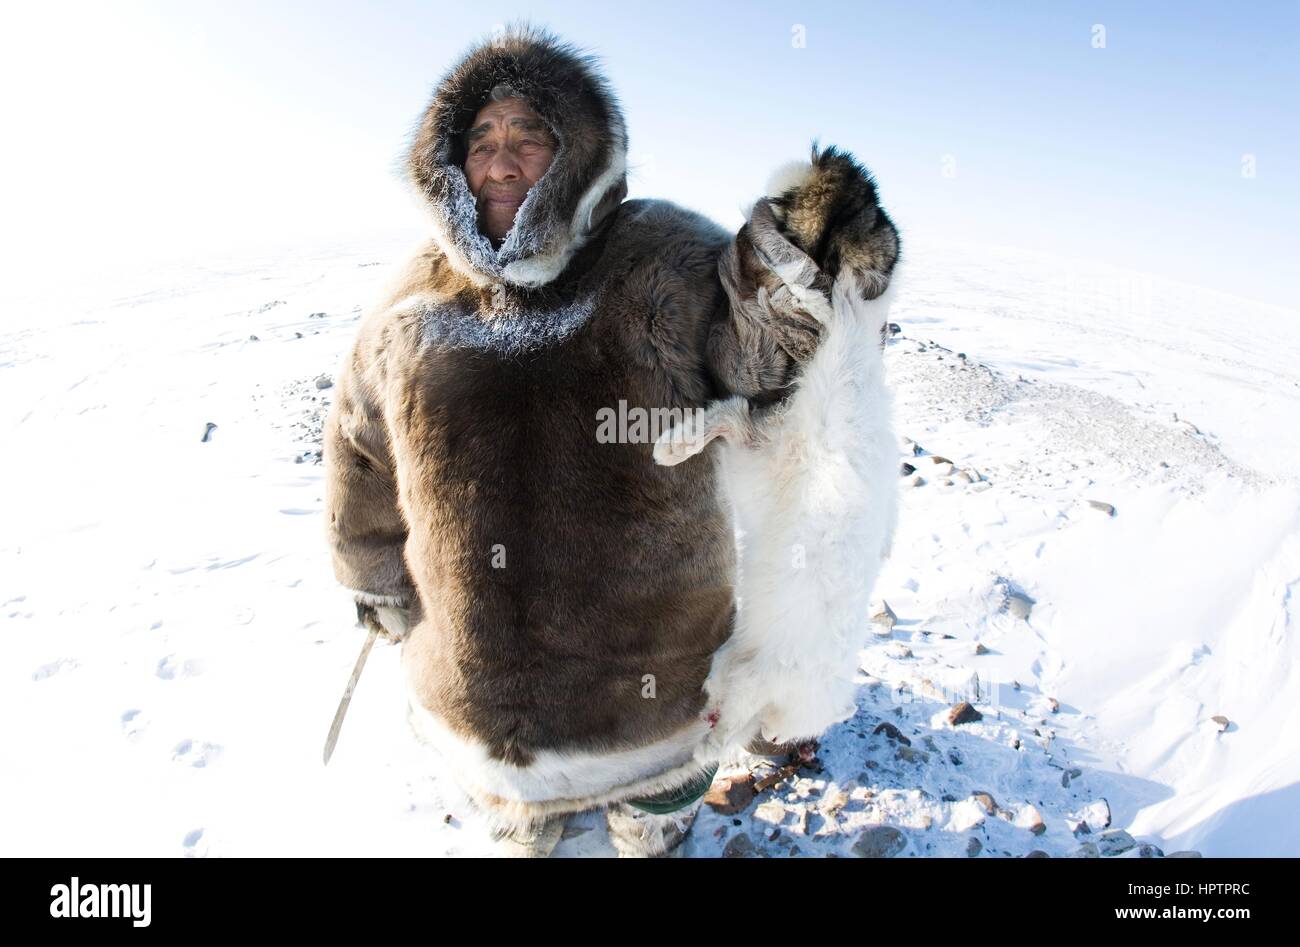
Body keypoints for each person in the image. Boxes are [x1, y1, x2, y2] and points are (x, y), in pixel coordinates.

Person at [322, 23, 898, 856]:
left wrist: (802, 264)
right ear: (448, 164)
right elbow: (359, 452)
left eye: (530, 136)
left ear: (578, 155)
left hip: (650, 695)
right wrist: (372, 575)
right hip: (473, 694)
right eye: (481, 139)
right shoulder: (410, 305)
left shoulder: (659, 261)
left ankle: (653, 824)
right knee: (520, 825)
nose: (503, 160)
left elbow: (764, 362)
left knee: (655, 821)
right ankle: (529, 819)